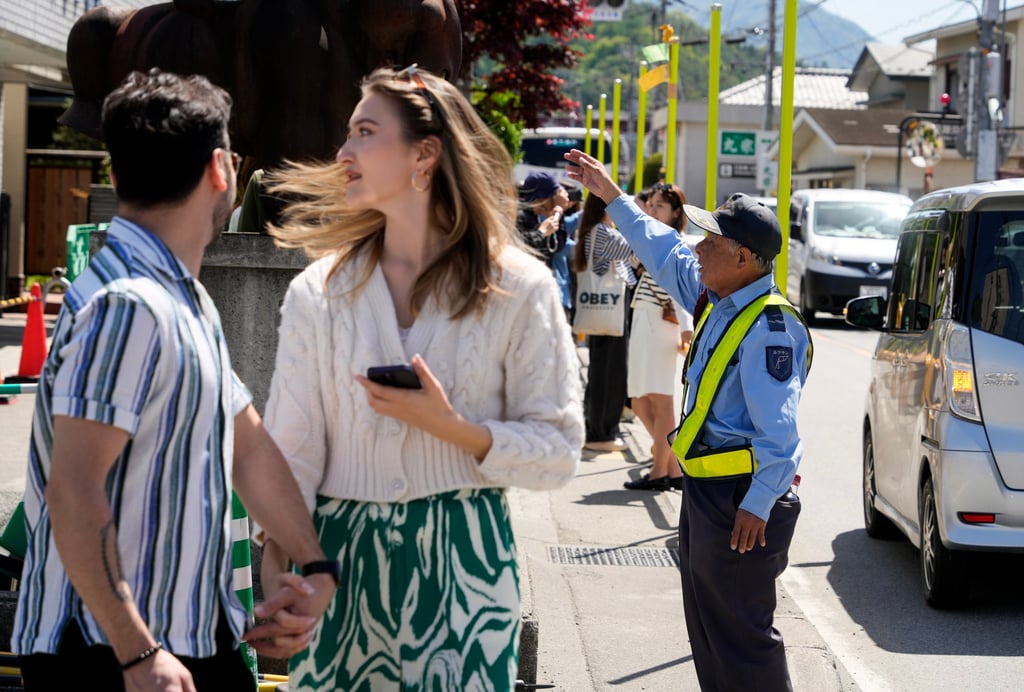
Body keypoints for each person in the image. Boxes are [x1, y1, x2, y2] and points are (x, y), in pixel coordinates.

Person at [12, 69, 336, 691]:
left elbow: (249, 446)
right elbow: (74, 490)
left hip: (185, 639)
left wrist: (312, 564)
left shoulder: (184, 298)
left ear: (113, 176)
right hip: (112, 652)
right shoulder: (130, 304)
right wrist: (137, 654)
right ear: (222, 169)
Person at [261, 65, 583, 690]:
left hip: (467, 560)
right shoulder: (317, 292)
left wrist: (454, 430)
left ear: (425, 154)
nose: (343, 152)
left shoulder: (517, 287)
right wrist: (280, 561)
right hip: (336, 558)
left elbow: (559, 453)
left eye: (364, 132)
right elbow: (289, 454)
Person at [565, 148, 812, 691]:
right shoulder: (713, 294)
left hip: (742, 501)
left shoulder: (767, 327)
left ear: (744, 258)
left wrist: (758, 503)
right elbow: (658, 245)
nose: (697, 247)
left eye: (712, 242)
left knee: (743, 640)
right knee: (709, 629)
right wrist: (611, 193)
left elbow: (780, 431)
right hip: (707, 492)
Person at [624, 183, 690, 491]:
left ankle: (660, 471)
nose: (652, 210)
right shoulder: (655, 238)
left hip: (661, 324)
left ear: (676, 212)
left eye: (660, 206)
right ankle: (673, 465)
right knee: (639, 400)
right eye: (651, 205)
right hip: (645, 319)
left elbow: (681, 288)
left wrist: (687, 330)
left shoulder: (673, 241)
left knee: (659, 401)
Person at [572, 193, 636, 453]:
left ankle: (598, 428)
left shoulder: (595, 230)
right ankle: (600, 433)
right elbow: (634, 251)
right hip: (610, 310)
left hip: (605, 310)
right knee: (610, 372)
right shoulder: (602, 232)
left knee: (603, 371)